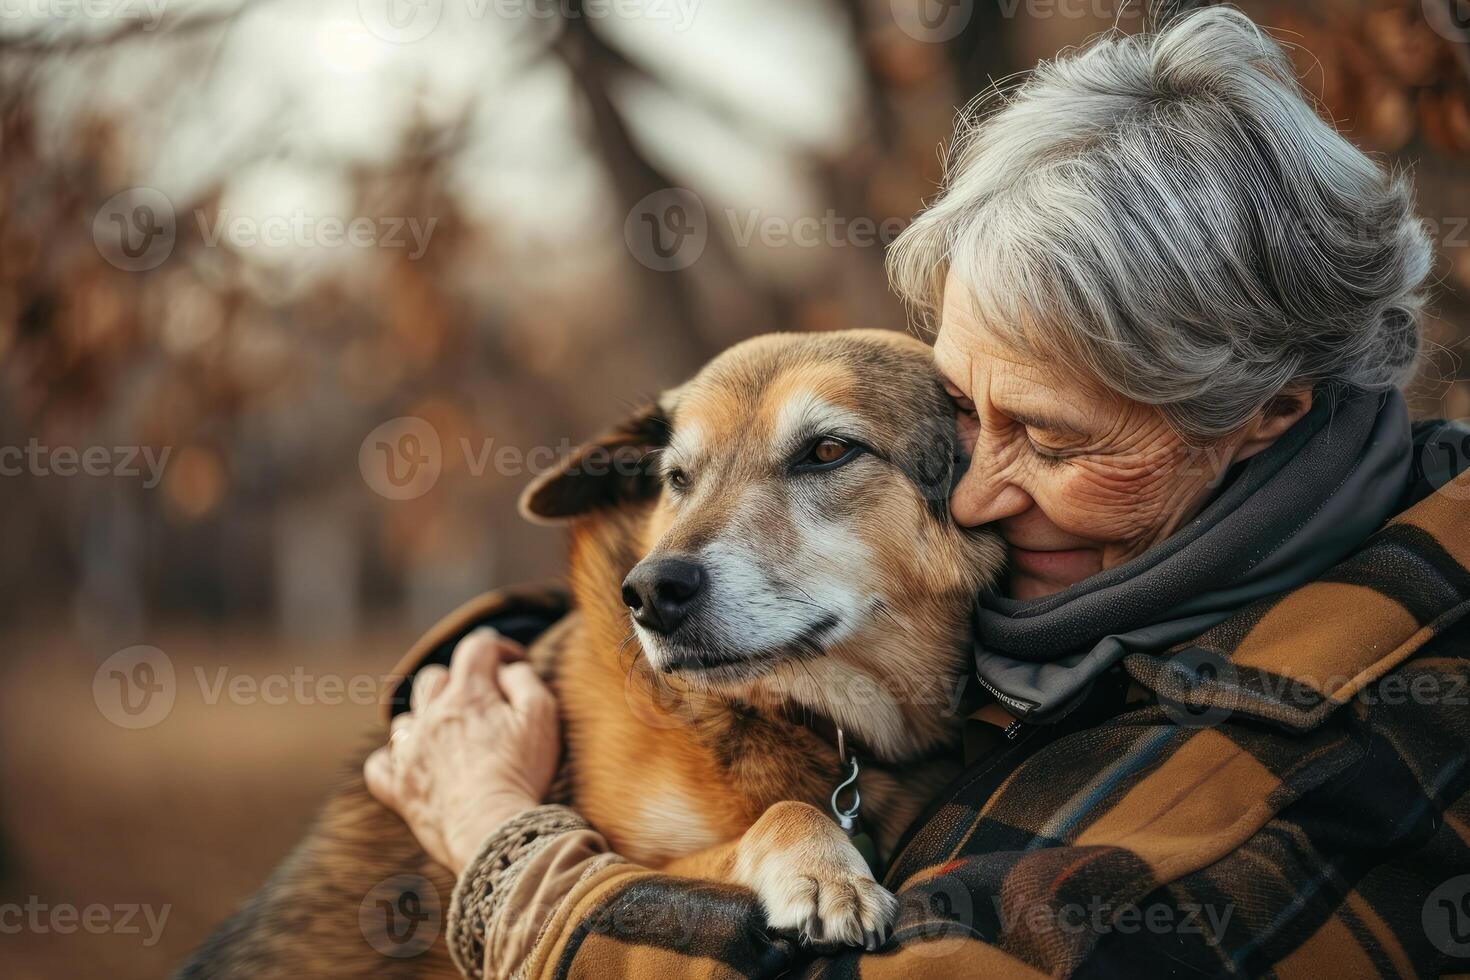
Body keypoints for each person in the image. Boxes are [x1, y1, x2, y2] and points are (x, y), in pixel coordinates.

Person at [366, 7, 1470, 977]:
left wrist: (500, 838)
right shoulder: (1107, 590)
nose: (975, 496)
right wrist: (494, 688)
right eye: (965, 415)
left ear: (1268, 408)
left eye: (1045, 435)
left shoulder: (1346, 759)